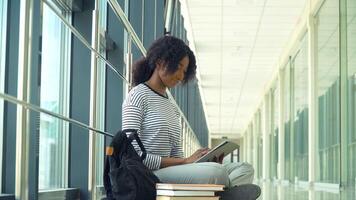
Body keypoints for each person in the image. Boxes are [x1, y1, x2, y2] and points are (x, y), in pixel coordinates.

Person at [122, 35, 261, 200]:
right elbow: (134, 155)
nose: (181, 76)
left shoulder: (171, 106)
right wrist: (185, 162)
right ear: (159, 62)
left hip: (170, 171)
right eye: (178, 67)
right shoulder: (138, 95)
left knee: (244, 169)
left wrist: (200, 161)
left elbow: (177, 156)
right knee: (216, 172)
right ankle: (222, 194)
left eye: (185, 71)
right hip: (147, 175)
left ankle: (220, 194)